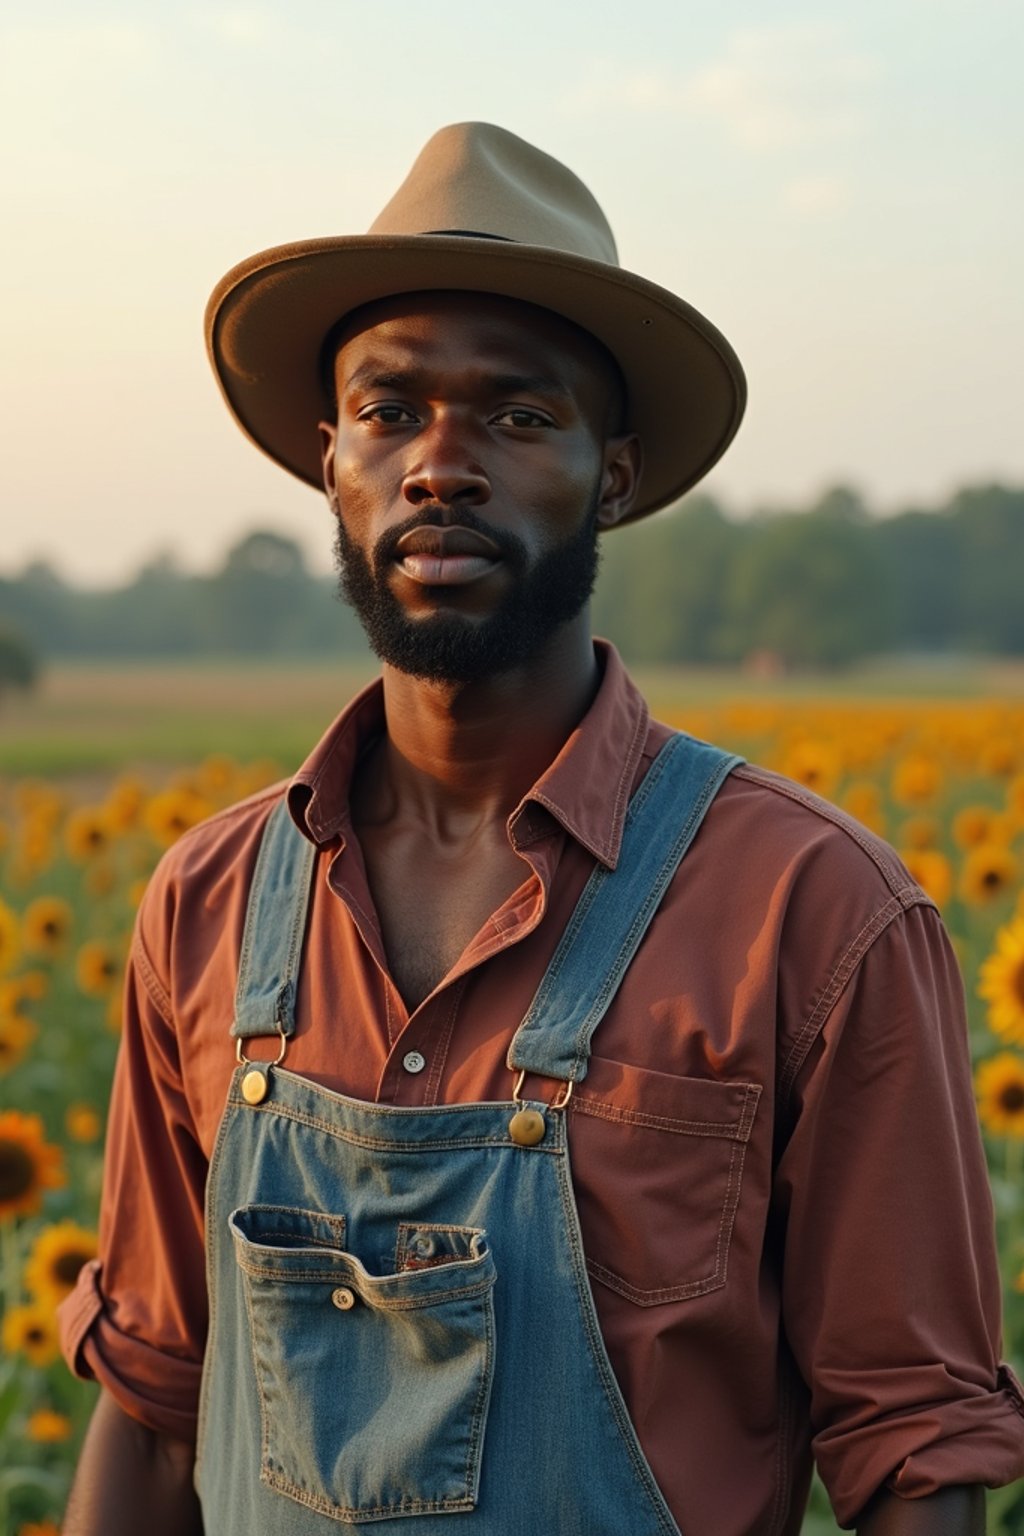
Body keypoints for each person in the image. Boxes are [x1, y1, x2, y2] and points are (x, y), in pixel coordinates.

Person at [60, 123, 1023, 1536]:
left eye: (518, 416)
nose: (441, 464)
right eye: (390, 412)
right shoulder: (204, 906)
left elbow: (917, 1456)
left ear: (614, 476)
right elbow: (150, 1412)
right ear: (330, 462)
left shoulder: (813, 911)